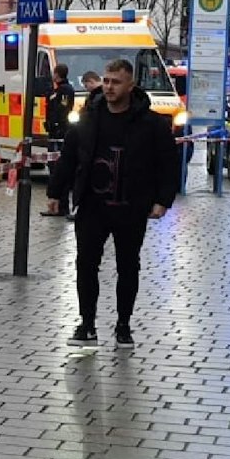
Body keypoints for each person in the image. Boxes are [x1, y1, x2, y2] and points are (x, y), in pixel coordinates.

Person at [47, 59, 182, 346]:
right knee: (85, 265)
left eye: (115, 82)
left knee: (128, 266)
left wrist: (162, 201)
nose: (108, 87)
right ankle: (87, 324)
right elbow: (70, 156)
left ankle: (123, 325)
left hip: (131, 206)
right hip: (92, 205)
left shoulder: (152, 123)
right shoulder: (90, 117)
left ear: (130, 86)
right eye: (106, 81)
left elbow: (168, 165)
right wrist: (55, 193)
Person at [42, 66, 76, 217]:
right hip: (54, 131)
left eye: (54, 74)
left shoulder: (65, 90)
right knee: (53, 167)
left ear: (57, 74)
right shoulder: (55, 90)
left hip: (60, 132)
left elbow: (63, 109)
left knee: (58, 168)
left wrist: (56, 124)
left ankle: (62, 206)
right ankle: (57, 204)